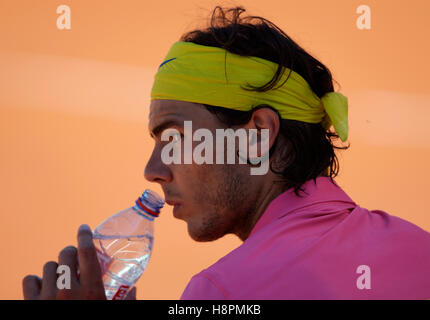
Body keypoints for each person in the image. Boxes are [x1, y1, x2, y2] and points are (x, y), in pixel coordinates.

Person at [22, 6, 430, 300]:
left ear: (257, 135)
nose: (153, 169)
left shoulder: (221, 292)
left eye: (175, 138)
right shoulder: (420, 248)